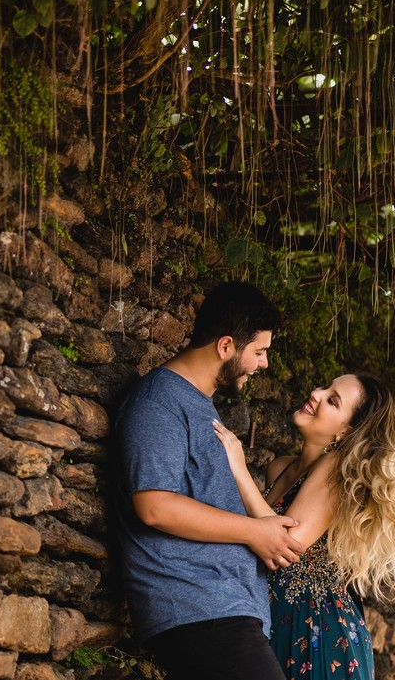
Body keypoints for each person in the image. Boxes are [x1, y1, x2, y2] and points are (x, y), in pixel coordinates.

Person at [115, 281, 303, 680]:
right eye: (259, 352)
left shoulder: (202, 406)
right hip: (197, 607)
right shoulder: (159, 401)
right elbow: (154, 505)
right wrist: (253, 532)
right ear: (226, 346)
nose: (264, 364)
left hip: (224, 610)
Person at [213, 373, 395, 680]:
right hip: (273, 619)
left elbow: (286, 544)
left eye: (332, 400)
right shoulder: (279, 467)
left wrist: (238, 468)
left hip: (319, 632)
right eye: (324, 387)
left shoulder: (337, 470)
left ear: (346, 430)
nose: (316, 394)